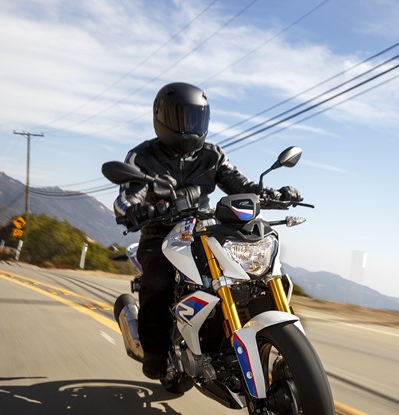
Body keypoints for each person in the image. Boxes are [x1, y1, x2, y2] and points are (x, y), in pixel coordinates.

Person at [113, 82, 302, 379]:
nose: (189, 126)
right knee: (158, 282)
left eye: (196, 118)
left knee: (252, 273)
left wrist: (273, 194)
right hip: (160, 233)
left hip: (203, 230)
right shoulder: (143, 156)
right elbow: (126, 199)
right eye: (181, 118)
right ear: (161, 117)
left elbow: (241, 185)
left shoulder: (212, 155)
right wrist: (137, 209)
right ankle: (155, 351)